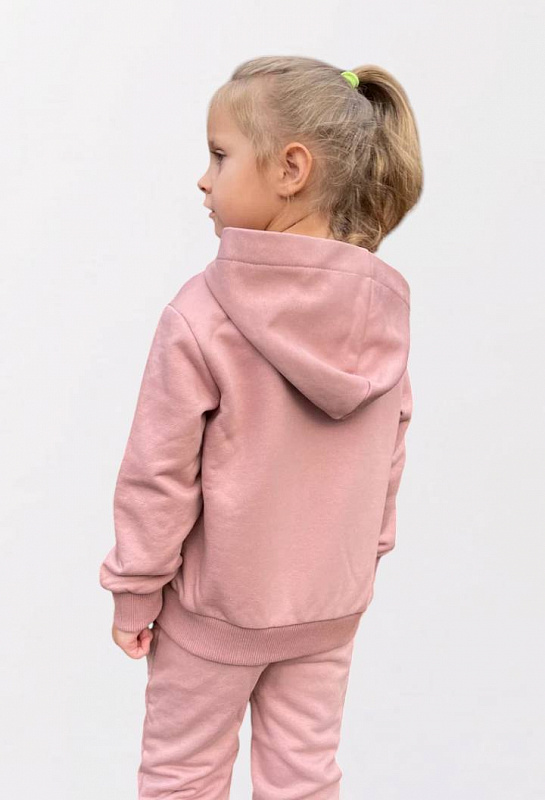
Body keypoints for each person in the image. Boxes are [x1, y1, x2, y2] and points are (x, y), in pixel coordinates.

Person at [99, 55, 422, 800]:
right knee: (304, 781)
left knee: (182, 780)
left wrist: (134, 590)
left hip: (217, 614)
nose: (203, 180)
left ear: (290, 170)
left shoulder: (202, 313)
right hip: (329, 607)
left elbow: (158, 473)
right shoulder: (383, 312)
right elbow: (389, 455)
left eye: (219, 155)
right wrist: (363, 559)